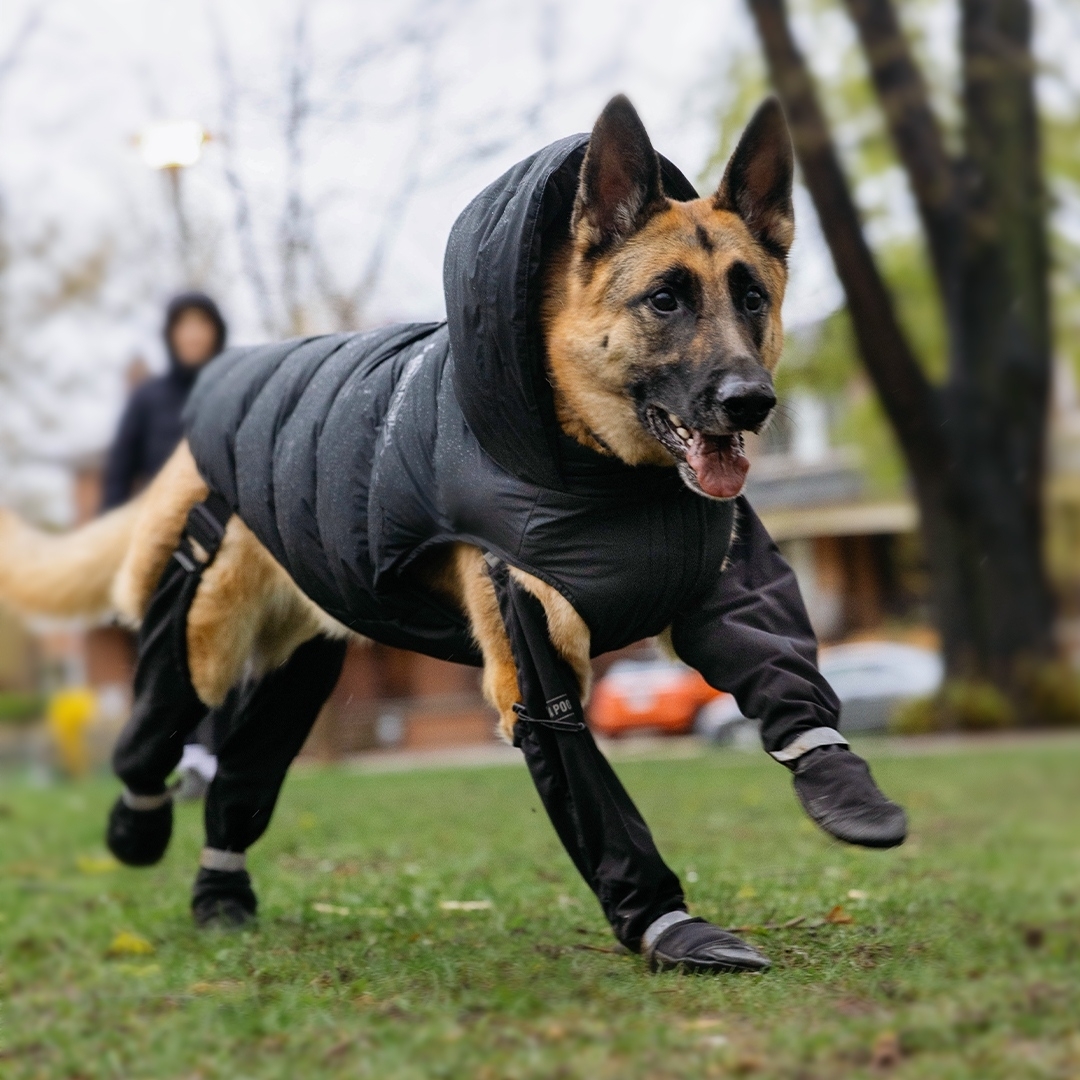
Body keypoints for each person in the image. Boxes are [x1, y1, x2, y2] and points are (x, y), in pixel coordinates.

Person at [102, 292, 229, 799]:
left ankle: (214, 754)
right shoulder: (149, 399)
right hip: (163, 541)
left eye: (203, 326)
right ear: (172, 336)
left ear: (215, 332)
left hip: (225, 537)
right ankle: (183, 752)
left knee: (219, 643)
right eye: (185, 327)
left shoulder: (230, 388)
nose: (194, 336)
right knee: (168, 648)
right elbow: (116, 475)